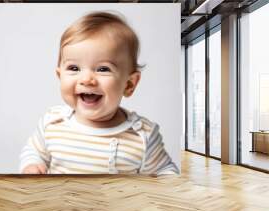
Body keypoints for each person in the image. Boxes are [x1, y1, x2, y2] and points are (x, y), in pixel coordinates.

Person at [19, 11, 179, 175]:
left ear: (129, 84)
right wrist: (33, 166)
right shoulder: (52, 122)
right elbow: (34, 152)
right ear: (60, 76)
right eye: (74, 68)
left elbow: (165, 172)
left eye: (103, 69)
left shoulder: (142, 135)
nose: (87, 79)